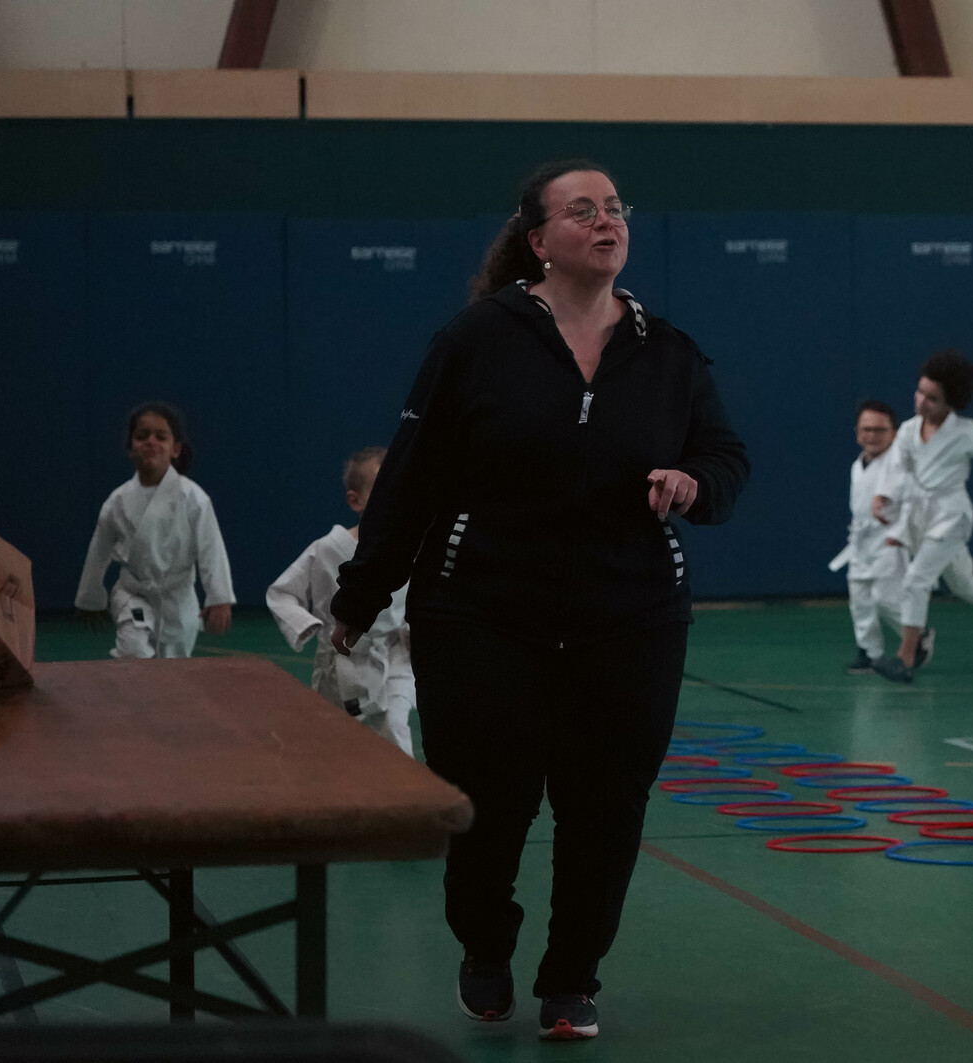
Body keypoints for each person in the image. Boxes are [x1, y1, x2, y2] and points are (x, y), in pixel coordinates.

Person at [327, 160, 748, 1042]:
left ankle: (571, 977)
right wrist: (362, 593)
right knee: (487, 804)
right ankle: (485, 944)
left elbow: (725, 458)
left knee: (606, 810)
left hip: (631, 617)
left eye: (615, 208)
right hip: (482, 612)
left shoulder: (668, 351)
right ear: (538, 240)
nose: (606, 220)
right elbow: (411, 476)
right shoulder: (476, 338)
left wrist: (694, 482)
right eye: (582, 210)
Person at [870, 350, 973, 684]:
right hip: (922, 515)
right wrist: (883, 495)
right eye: (920, 392)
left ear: (951, 403)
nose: (921, 401)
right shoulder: (908, 430)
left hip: (951, 516)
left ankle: (905, 658)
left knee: (916, 580)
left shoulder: (965, 432)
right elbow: (898, 470)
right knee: (961, 583)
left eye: (932, 398)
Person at [267, 446, 415, 755]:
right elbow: (281, 593)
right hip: (339, 664)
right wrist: (306, 623)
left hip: (392, 659)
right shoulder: (327, 548)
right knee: (331, 743)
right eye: (381, 489)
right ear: (355, 500)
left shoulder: (409, 550)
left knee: (394, 732)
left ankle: (403, 787)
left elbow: (417, 600)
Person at [75, 401, 234, 658]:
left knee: (172, 669)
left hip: (178, 599)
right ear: (130, 448)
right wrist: (90, 598)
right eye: (142, 436)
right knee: (133, 648)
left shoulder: (193, 499)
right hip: (134, 593)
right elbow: (99, 551)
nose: (151, 441)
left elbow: (210, 549)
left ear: (176, 449)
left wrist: (219, 598)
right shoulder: (117, 501)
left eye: (161, 436)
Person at [828, 399, 932, 674]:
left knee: (886, 599)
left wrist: (902, 533)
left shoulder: (901, 465)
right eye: (866, 429)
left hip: (890, 540)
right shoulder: (858, 464)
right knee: (860, 599)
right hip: (860, 542)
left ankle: (918, 635)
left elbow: (913, 503)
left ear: (894, 433)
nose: (872, 435)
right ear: (857, 432)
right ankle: (869, 652)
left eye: (879, 430)